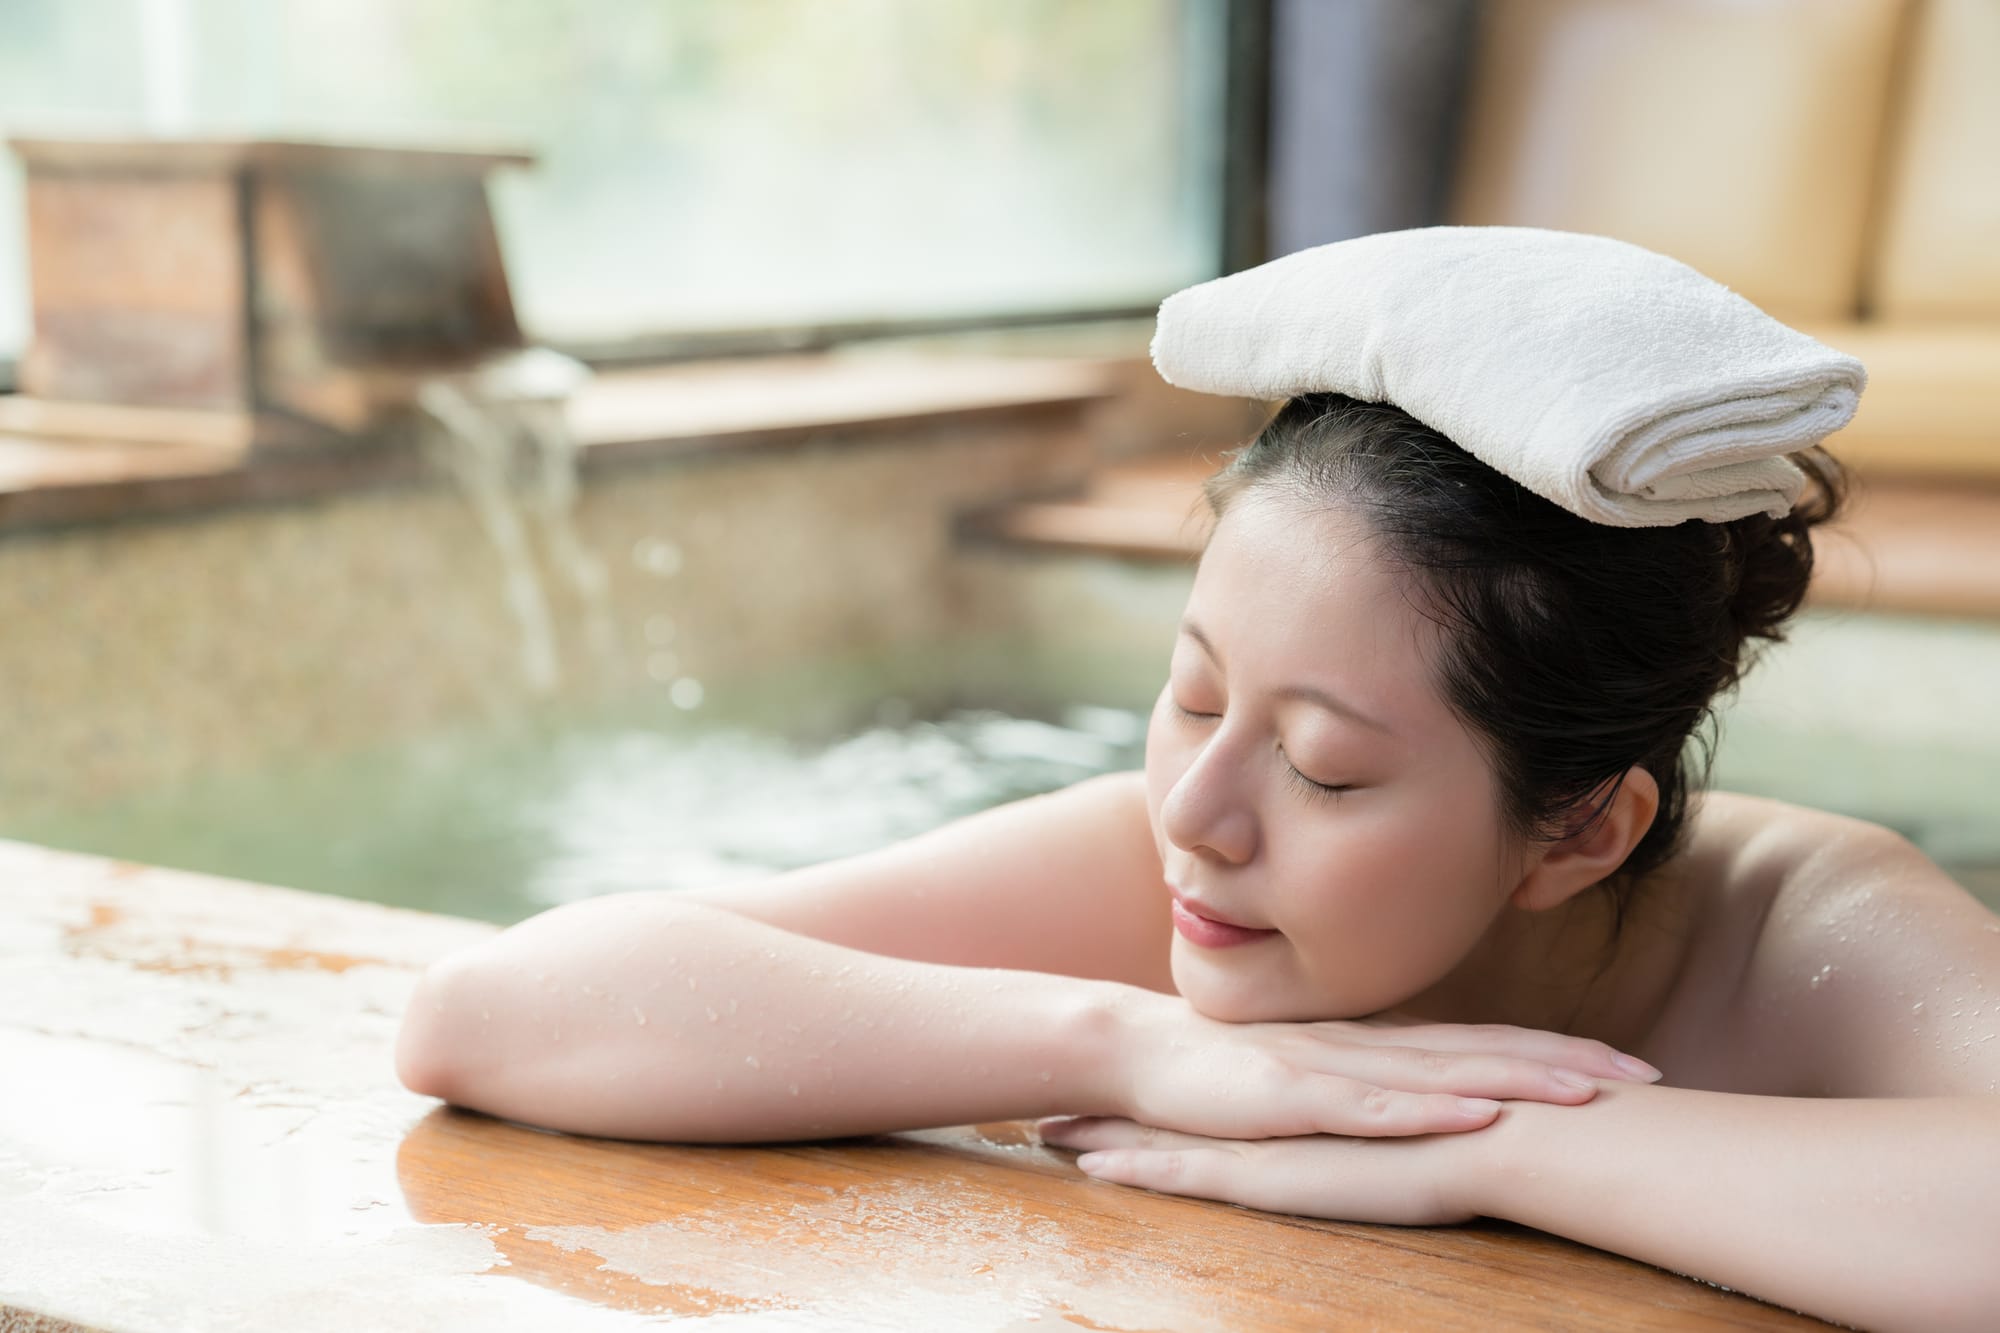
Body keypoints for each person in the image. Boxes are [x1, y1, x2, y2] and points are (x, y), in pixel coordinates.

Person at [396, 235, 2000, 1332]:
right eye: (1191, 690)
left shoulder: (1811, 927)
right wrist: (1124, 1040)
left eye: (1321, 765)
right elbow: (493, 1010)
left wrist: (1476, 1148)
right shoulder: (1155, 865)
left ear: (1582, 826)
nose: (1198, 808)